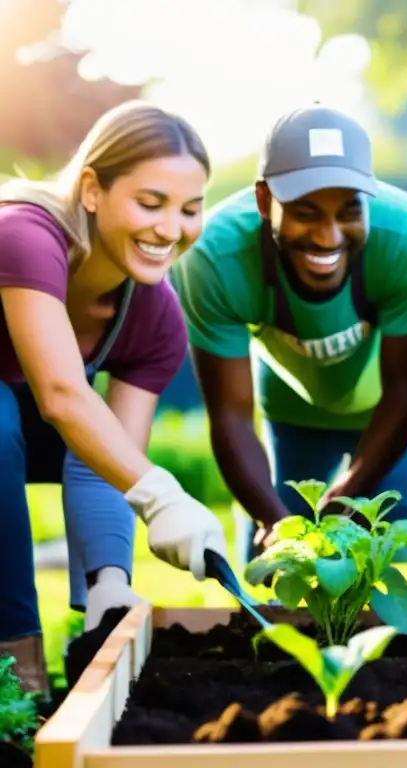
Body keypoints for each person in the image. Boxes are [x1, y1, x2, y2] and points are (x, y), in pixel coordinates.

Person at [0, 100, 231, 696]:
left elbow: (108, 457)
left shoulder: (156, 318)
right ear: (92, 190)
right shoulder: (25, 236)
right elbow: (60, 396)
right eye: (150, 204)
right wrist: (164, 498)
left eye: (190, 209)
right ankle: (16, 663)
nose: (170, 230)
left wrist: (109, 582)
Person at [171, 104, 407, 566]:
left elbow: (405, 388)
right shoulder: (215, 256)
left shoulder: (405, 235)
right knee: (274, 573)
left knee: (381, 560)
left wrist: (349, 495)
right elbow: (230, 414)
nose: (328, 236)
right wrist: (272, 521)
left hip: (387, 412)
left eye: (348, 211)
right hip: (291, 409)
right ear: (264, 202)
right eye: (305, 212)